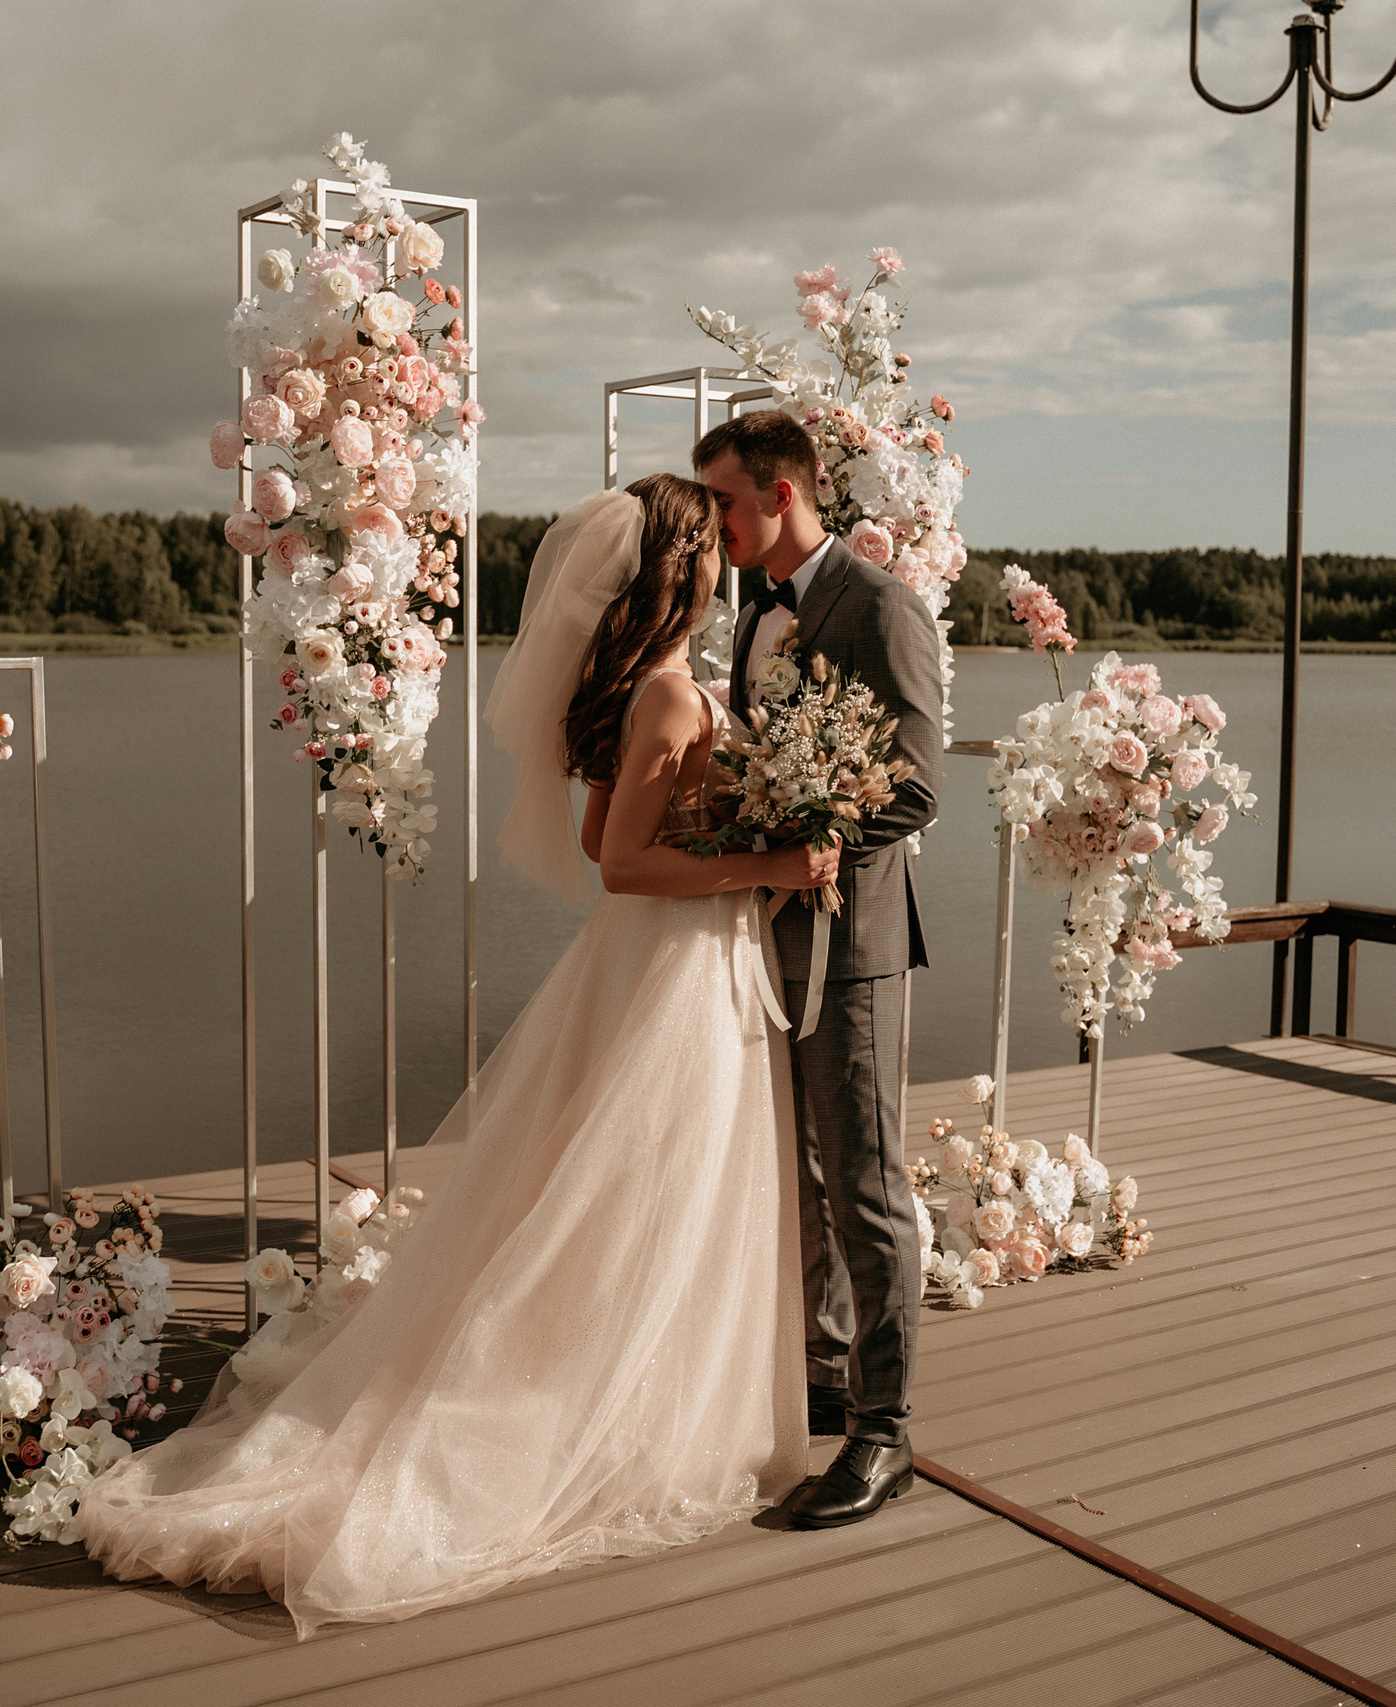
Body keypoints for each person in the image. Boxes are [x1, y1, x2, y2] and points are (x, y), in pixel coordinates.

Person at [74, 474, 837, 1636]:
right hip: (674, 966)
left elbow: (597, 833)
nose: (732, 552)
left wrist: (728, 828)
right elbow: (622, 864)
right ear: (690, 571)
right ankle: (622, 1406)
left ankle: (631, 1381)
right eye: (713, 542)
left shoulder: (641, 692)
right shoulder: (675, 698)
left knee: (614, 1191)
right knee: (653, 1194)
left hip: (652, 961)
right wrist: (767, 864)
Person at [694, 410, 943, 1529]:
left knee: (866, 1187)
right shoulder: (755, 609)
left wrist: (808, 824)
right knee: (795, 1176)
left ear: (783, 495)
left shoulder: (881, 606)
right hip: (764, 938)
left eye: (725, 505)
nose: (715, 526)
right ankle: (824, 1372)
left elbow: (918, 782)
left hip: (852, 949)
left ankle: (884, 1437)